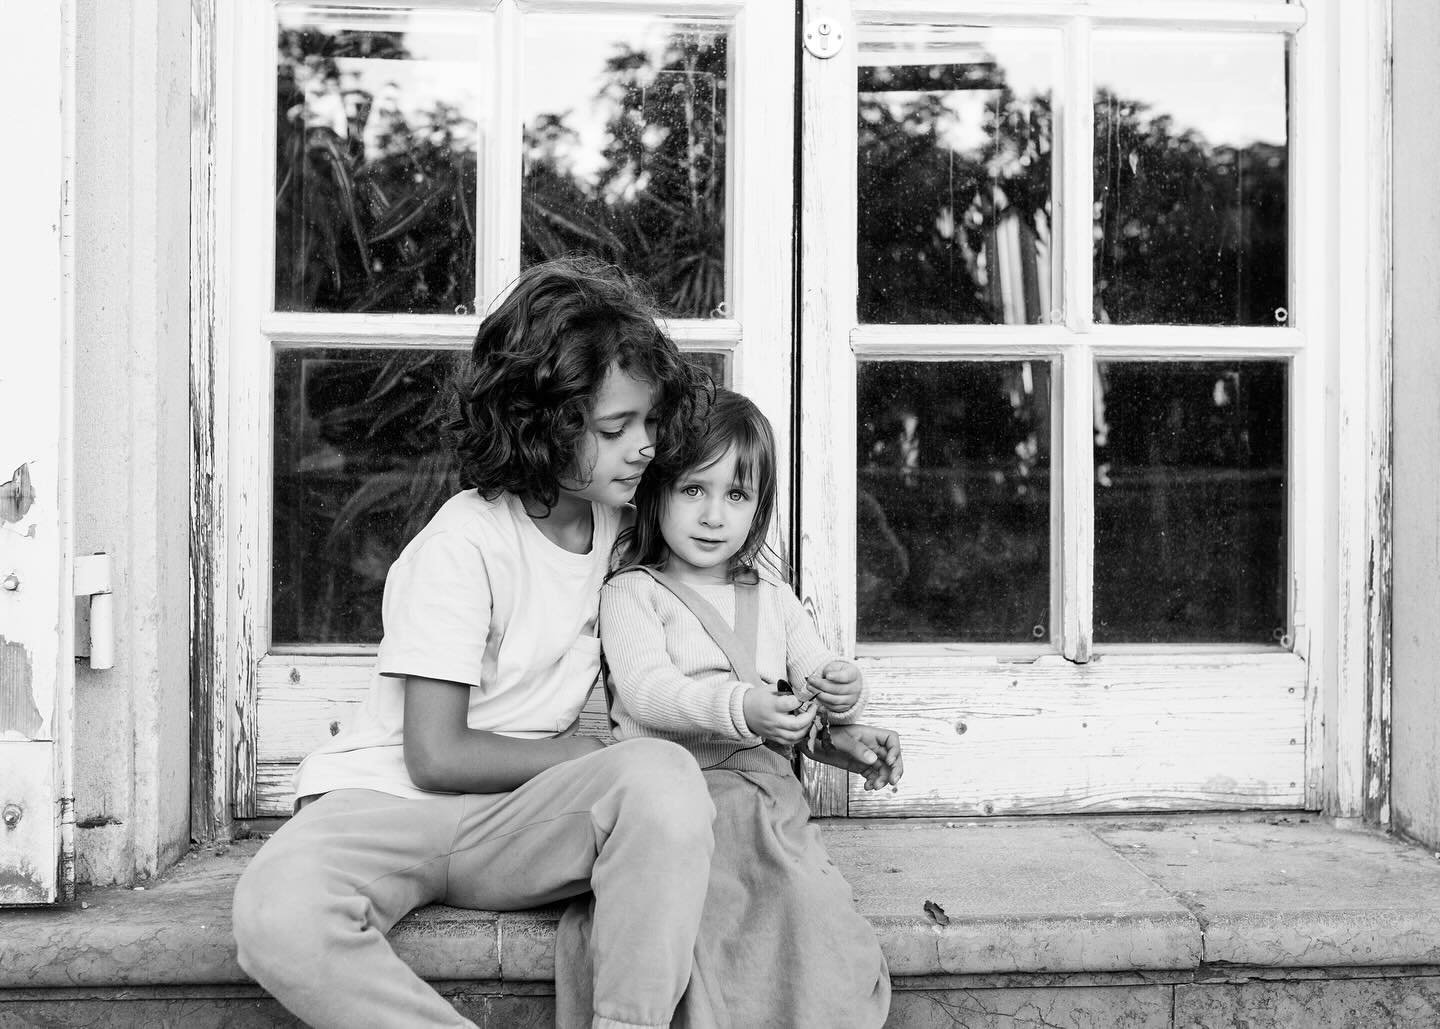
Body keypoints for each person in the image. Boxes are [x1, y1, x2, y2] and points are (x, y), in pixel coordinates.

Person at [231, 256, 719, 1029]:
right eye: (616, 427)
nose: (645, 446)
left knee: (666, 778)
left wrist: (813, 706)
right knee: (273, 916)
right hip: (385, 803)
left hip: (514, 820)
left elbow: (728, 597)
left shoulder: (621, 527)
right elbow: (436, 754)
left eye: (650, 423)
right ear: (543, 424)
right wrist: (578, 754)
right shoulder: (464, 542)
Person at [567, 388, 902, 1028]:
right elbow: (645, 691)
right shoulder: (635, 593)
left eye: (736, 495)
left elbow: (810, 682)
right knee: (701, 939)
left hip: (770, 813)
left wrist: (843, 709)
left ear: (758, 507)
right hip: (675, 810)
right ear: (656, 490)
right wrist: (742, 706)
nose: (714, 515)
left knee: (814, 921)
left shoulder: (771, 595)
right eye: (694, 490)